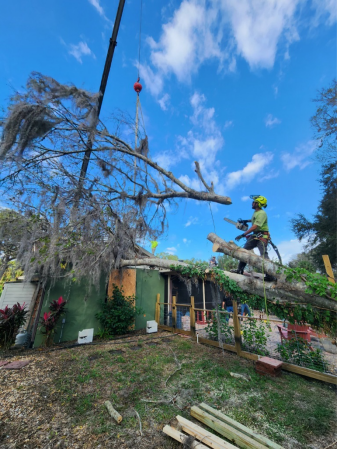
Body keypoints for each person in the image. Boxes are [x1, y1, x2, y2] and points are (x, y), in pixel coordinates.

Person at [232, 195, 276, 282]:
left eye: (254, 202)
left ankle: (270, 275)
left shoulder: (262, 213)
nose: (252, 203)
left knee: (264, 255)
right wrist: (245, 221)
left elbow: (255, 226)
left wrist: (243, 235)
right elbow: (253, 220)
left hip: (262, 236)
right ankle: (240, 269)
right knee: (244, 251)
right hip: (255, 235)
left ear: (258, 204)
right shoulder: (256, 213)